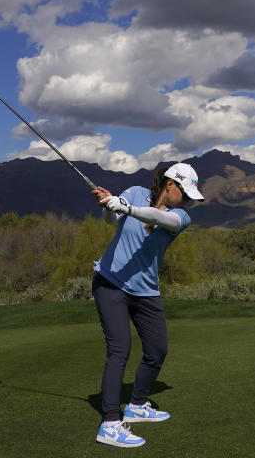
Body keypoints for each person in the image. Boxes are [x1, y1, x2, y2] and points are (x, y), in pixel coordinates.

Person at [91, 162, 204, 449]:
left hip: (146, 291)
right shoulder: (135, 192)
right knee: (120, 349)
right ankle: (110, 424)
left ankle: (137, 404)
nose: (188, 199)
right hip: (110, 282)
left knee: (157, 350)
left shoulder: (181, 217)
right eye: (186, 192)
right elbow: (110, 220)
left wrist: (125, 207)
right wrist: (108, 204)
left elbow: (154, 216)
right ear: (170, 184)